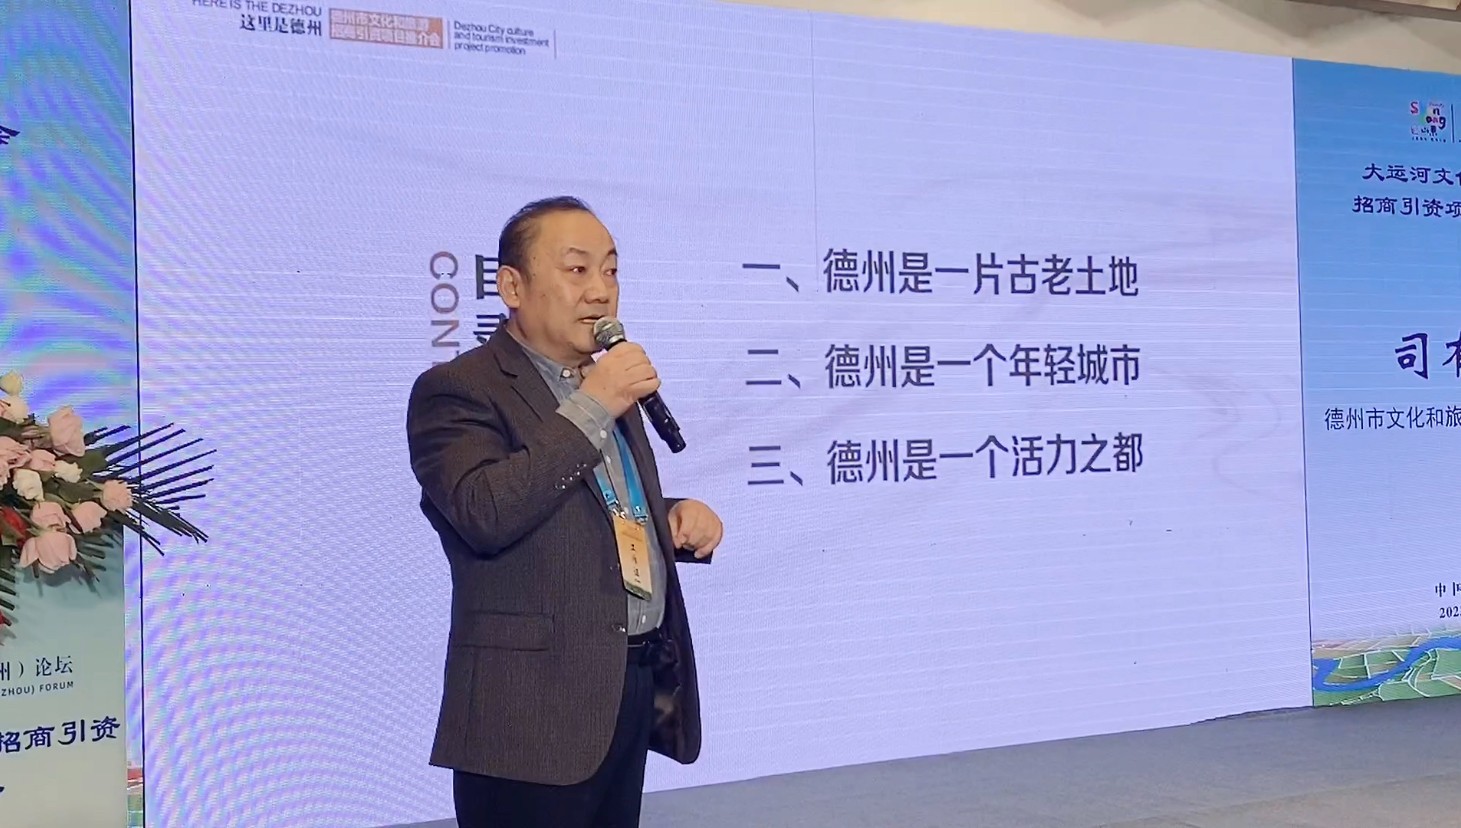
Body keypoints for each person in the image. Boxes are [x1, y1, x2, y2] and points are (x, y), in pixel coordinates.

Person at [406, 196, 725, 828]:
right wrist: (595, 405)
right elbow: (484, 509)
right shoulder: (459, 389)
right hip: (527, 715)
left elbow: (591, 505)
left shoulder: (601, 386)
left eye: (611, 270)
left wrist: (671, 515)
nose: (601, 291)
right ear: (512, 287)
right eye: (578, 270)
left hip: (624, 685)